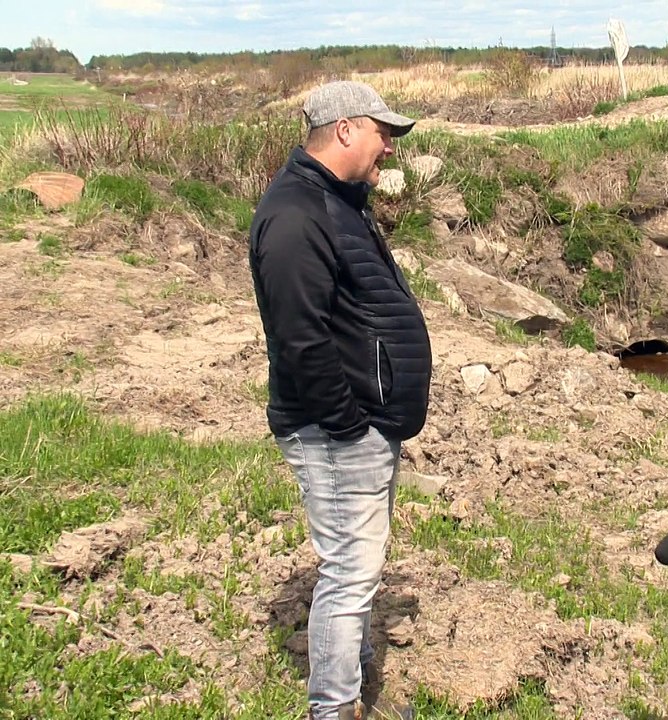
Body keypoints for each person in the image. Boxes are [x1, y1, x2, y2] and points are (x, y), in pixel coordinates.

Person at [248, 80, 432, 720]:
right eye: (382, 131)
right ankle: (334, 708)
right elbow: (300, 339)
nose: (389, 145)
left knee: (357, 567)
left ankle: (345, 692)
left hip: (360, 424)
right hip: (336, 431)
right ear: (345, 129)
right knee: (350, 574)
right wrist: (352, 427)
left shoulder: (334, 200)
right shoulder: (298, 214)